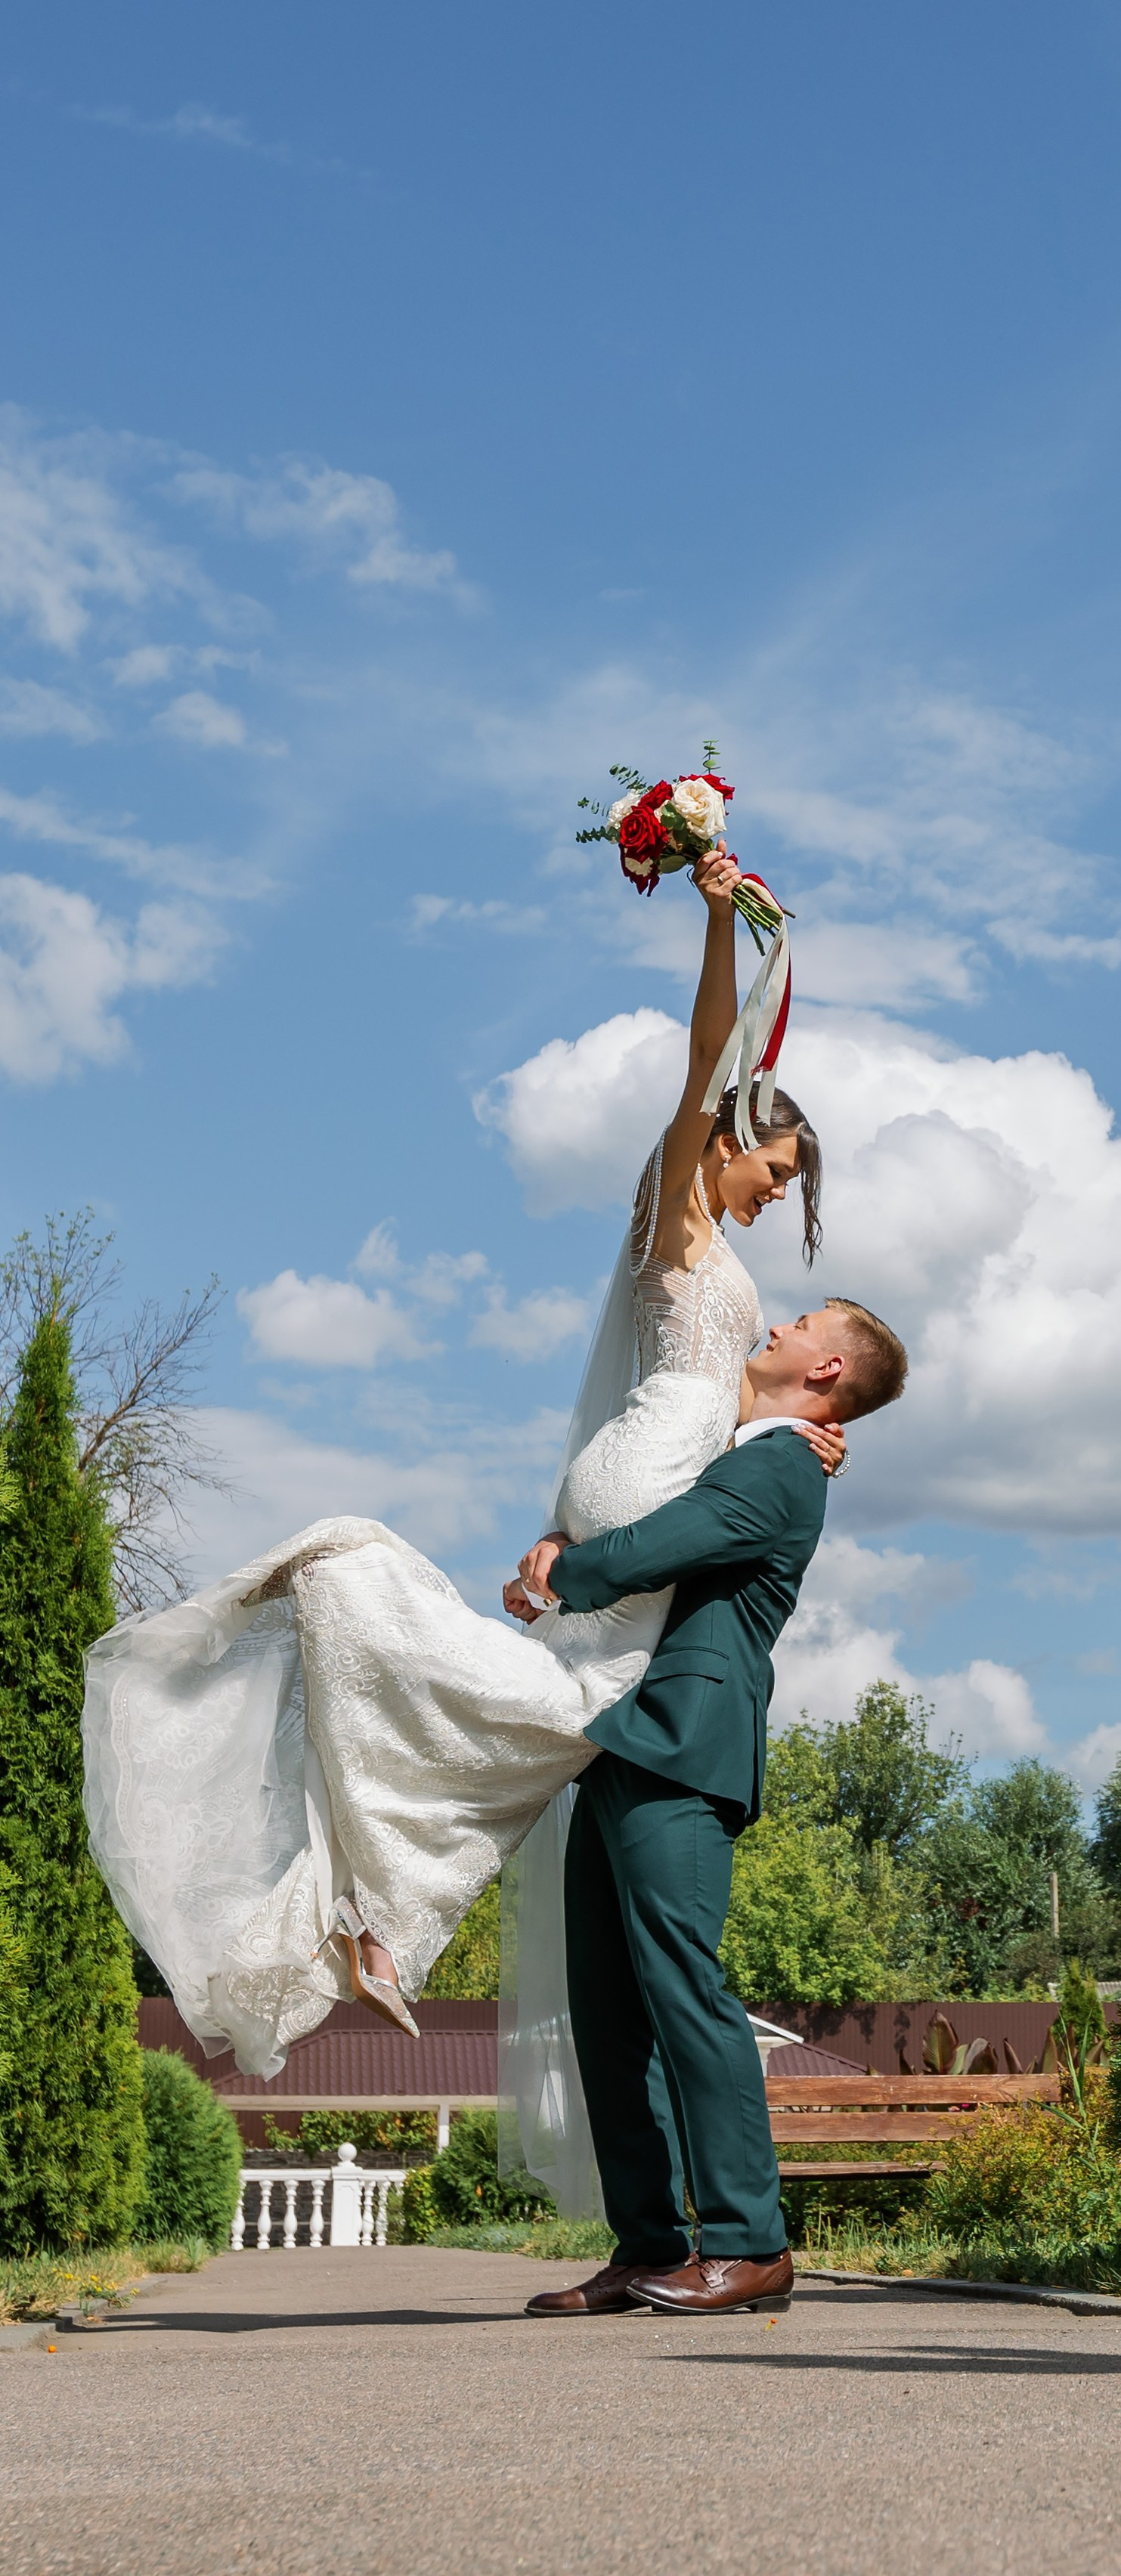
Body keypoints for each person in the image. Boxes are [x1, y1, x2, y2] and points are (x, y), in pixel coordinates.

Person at [82, 853, 839, 2079]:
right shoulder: (676, 1222)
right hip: (621, 1563)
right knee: (387, 1609)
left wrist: (794, 1434)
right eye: (775, 1169)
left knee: (506, 1742)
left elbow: (739, 1416)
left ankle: (372, 1922)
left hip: (630, 1574)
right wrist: (715, 926)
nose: (773, 1193)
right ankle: (367, 1911)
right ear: (737, 1138)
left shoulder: (735, 1291)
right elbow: (704, 1061)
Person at [517, 1294, 909, 2318]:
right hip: (614, 1740)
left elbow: (646, 1555)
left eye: (803, 1323)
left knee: (685, 1991)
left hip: (685, 1748)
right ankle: (645, 2245)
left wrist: (567, 1566)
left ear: (828, 1373)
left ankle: (750, 2244)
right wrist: (568, 1538)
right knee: (605, 2013)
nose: (776, 1324)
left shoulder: (779, 1469)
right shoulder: (751, 1448)